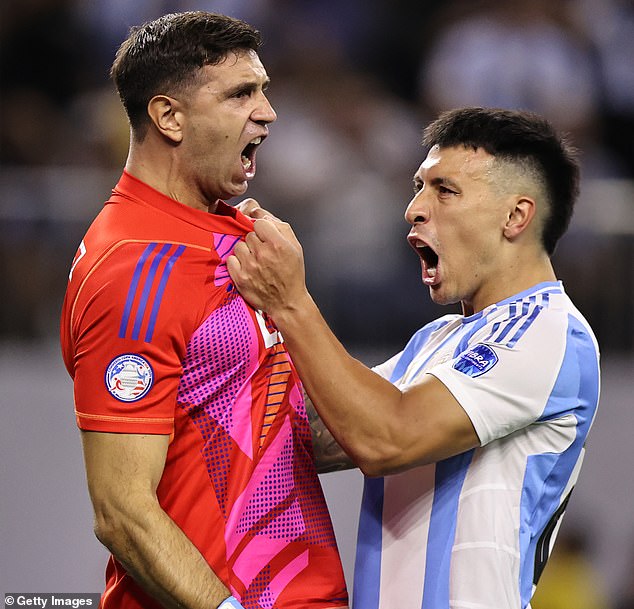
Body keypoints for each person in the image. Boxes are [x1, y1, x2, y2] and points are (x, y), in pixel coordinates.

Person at [227, 107, 601, 609]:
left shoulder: (552, 332)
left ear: (516, 216)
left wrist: (290, 302)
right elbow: (301, 436)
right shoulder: (435, 340)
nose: (414, 208)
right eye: (419, 186)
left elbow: (385, 437)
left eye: (444, 190)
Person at [59, 12, 348, 609]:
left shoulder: (235, 235)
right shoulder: (135, 269)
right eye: (242, 93)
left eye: (264, 90)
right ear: (169, 117)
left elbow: (272, 427)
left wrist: (448, 400)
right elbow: (121, 510)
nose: (267, 112)